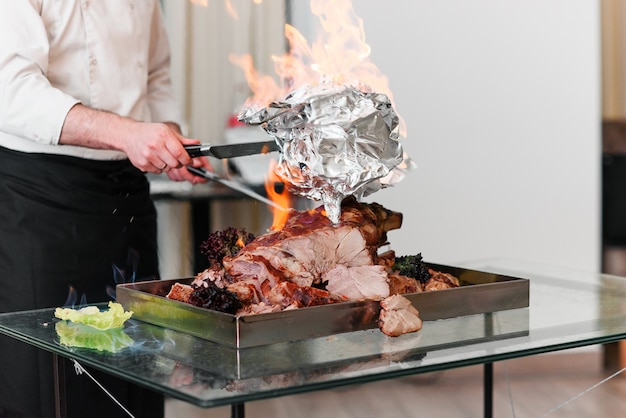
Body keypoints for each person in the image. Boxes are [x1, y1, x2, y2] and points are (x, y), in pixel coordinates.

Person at [0, 1, 211, 417]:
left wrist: (167, 139)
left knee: (140, 364)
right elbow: (10, 88)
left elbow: (154, 77)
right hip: (41, 197)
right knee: (46, 378)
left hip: (127, 195)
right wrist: (127, 133)